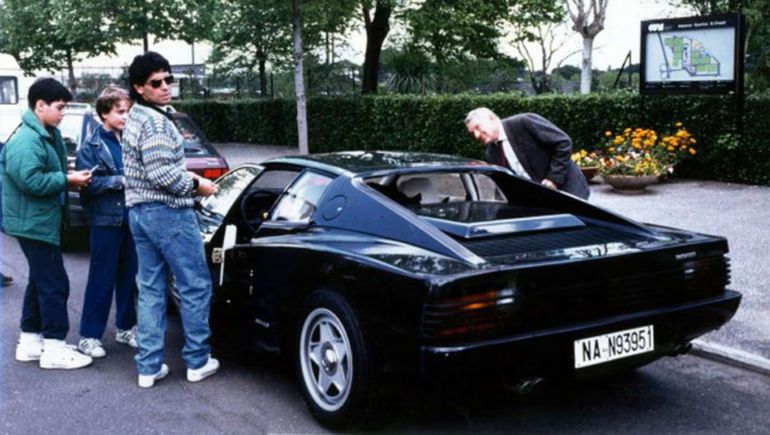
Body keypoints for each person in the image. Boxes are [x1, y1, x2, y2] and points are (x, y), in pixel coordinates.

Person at [123, 51, 219, 388]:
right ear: (139, 87)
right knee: (194, 284)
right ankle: (197, 360)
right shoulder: (156, 121)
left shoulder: (134, 116)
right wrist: (199, 185)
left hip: (139, 213)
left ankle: (148, 367)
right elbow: (162, 172)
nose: (165, 87)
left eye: (168, 79)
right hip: (168, 213)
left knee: (150, 289)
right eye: (156, 83)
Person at [0, 77, 93, 369]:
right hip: (33, 223)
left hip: (36, 221)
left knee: (41, 281)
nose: (63, 113)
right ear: (40, 106)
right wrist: (67, 179)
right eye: (60, 107)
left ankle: (30, 341)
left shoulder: (42, 132)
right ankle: (54, 348)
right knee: (55, 283)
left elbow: (41, 171)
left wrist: (66, 174)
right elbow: (31, 181)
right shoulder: (27, 140)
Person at [75, 86, 138, 358]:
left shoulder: (131, 140)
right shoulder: (91, 146)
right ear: (104, 113)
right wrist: (118, 181)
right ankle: (89, 336)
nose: (126, 116)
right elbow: (86, 184)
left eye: (128, 111)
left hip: (132, 219)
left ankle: (126, 328)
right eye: (120, 112)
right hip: (104, 221)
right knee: (101, 278)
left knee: (130, 277)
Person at [465, 107, 590, 200]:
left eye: (477, 127)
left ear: (492, 118)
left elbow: (563, 142)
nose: (476, 135)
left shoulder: (523, 122)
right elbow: (505, 183)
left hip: (570, 191)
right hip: (544, 202)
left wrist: (553, 179)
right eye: (472, 133)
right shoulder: (491, 152)